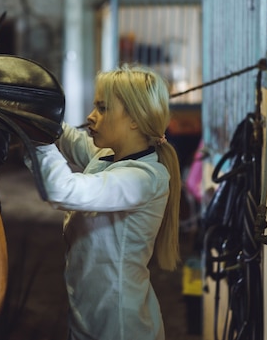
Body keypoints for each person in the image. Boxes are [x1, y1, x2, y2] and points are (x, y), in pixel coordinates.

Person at [26, 65, 182, 340]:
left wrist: (38, 140)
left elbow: (62, 189)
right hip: (89, 310)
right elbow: (71, 139)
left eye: (102, 108)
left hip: (120, 324)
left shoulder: (142, 178)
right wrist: (37, 113)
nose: (90, 116)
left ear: (134, 120)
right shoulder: (107, 157)